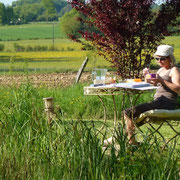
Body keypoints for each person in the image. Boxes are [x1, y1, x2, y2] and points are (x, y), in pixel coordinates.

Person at [124, 44, 180, 145]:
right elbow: (153, 83)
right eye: (157, 58)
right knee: (132, 116)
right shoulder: (161, 70)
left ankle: (131, 142)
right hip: (158, 101)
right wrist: (147, 76)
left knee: (128, 113)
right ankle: (122, 138)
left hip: (167, 103)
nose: (159, 61)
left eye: (162, 59)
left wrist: (161, 80)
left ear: (170, 58)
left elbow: (178, 88)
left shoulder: (174, 70)